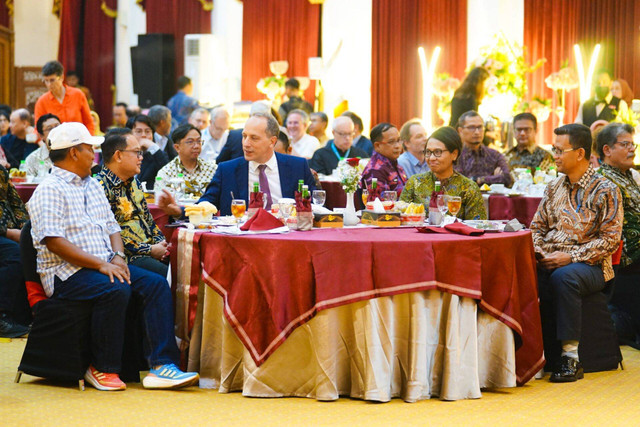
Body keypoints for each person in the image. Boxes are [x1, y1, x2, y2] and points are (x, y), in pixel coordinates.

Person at [27, 122, 199, 391]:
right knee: (116, 288)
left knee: (155, 284)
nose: (94, 155)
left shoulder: (91, 186)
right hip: (66, 274)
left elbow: (112, 227)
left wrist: (118, 257)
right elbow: (54, 243)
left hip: (103, 265)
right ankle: (102, 367)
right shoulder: (49, 189)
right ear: (74, 153)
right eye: (89, 149)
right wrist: (101, 264)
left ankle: (162, 365)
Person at [530, 123, 623, 382]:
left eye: (560, 150)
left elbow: (610, 240)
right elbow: (536, 227)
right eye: (553, 149)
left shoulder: (606, 189)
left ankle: (571, 358)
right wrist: (541, 254)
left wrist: (569, 257)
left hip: (591, 266)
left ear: (580, 153)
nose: (554, 156)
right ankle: (529, 354)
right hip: (552, 259)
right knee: (521, 270)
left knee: (565, 277)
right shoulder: (553, 188)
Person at [158, 113, 316, 216]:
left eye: (254, 138)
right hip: (241, 243)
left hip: (287, 241)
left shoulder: (297, 167)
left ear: (272, 141)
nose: (246, 144)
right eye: (244, 136)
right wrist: (179, 210)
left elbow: (314, 206)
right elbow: (207, 202)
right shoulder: (227, 170)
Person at [96, 130, 169, 278]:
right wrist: (150, 249)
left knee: (187, 265)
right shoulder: (100, 186)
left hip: (150, 250)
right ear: (118, 155)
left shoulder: (134, 182)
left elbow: (147, 219)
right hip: (127, 257)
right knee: (171, 275)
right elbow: (110, 234)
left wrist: (161, 244)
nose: (141, 158)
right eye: (137, 152)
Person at [400, 126, 486, 220]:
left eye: (438, 152)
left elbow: (477, 226)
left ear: (454, 154)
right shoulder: (415, 182)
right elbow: (400, 217)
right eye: (428, 152)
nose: (431, 158)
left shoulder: (468, 188)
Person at [595, 123, 639, 270]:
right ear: (607, 150)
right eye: (625, 144)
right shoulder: (604, 181)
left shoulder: (627, 174)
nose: (632, 149)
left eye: (633, 145)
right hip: (627, 257)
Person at [0, 164, 30, 338]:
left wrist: (26, 230)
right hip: (4, 233)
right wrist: (8, 232)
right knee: (14, 253)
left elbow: (16, 204)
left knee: (35, 247)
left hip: (11, 232)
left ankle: (24, 315)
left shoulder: (1, 171)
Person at [155, 124, 217, 198]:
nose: (196, 146)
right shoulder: (166, 173)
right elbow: (160, 203)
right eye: (190, 142)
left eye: (199, 141)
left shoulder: (213, 170)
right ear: (177, 147)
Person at [34, 61, 94, 134]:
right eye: (46, 81)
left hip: (78, 142)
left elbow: (89, 122)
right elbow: (38, 129)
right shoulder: (42, 101)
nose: (49, 84)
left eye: (52, 80)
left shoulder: (78, 94)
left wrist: (88, 141)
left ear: (61, 77)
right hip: (55, 143)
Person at [454, 111, 512, 186]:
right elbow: (457, 182)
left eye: (480, 127)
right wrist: (493, 178)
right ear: (460, 131)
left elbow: (507, 178)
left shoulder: (494, 155)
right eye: (472, 127)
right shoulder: (455, 155)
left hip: (491, 198)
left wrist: (479, 180)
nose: (477, 132)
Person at [360, 122, 407, 195]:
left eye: (398, 140)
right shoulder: (375, 170)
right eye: (391, 142)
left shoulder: (395, 164)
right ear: (377, 145)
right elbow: (379, 203)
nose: (397, 146)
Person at [127, 114, 169, 190]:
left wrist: (154, 147)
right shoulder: (122, 153)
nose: (144, 135)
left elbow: (168, 173)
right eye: (138, 131)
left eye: (147, 131)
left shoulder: (157, 155)